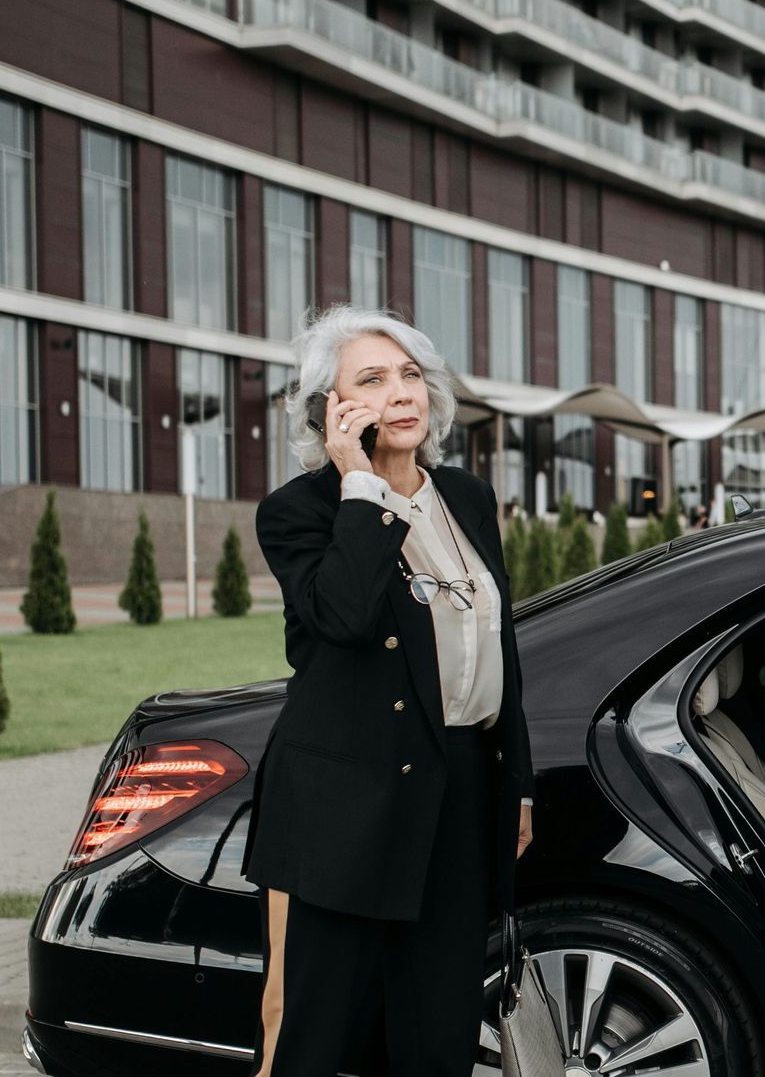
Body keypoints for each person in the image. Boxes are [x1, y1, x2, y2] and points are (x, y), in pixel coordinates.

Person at [243, 305, 534, 1076]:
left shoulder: (467, 497)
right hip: (347, 804)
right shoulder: (298, 512)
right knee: (313, 1039)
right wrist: (362, 487)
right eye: (371, 379)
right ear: (330, 409)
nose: (401, 392)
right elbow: (343, 616)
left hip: (459, 792)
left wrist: (518, 782)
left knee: (438, 1034)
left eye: (410, 374)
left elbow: (498, 644)